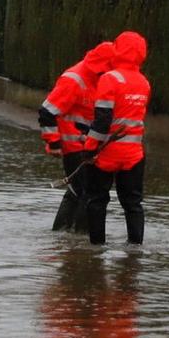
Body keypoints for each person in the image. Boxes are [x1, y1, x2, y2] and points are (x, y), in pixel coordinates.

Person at [39, 41, 117, 231]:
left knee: (77, 191)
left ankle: (64, 233)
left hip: (89, 147)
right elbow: (47, 112)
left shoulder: (99, 79)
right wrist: (54, 143)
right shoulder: (74, 80)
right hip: (75, 148)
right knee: (86, 192)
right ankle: (80, 237)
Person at [89, 30, 151, 245]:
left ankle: (97, 249)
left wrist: (90, 146)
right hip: (134, 154)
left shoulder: (109, 79)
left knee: (97, 200)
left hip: (107, 152)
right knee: (133, 203)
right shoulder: (144, 82)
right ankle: (135, 249)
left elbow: (102, 119)